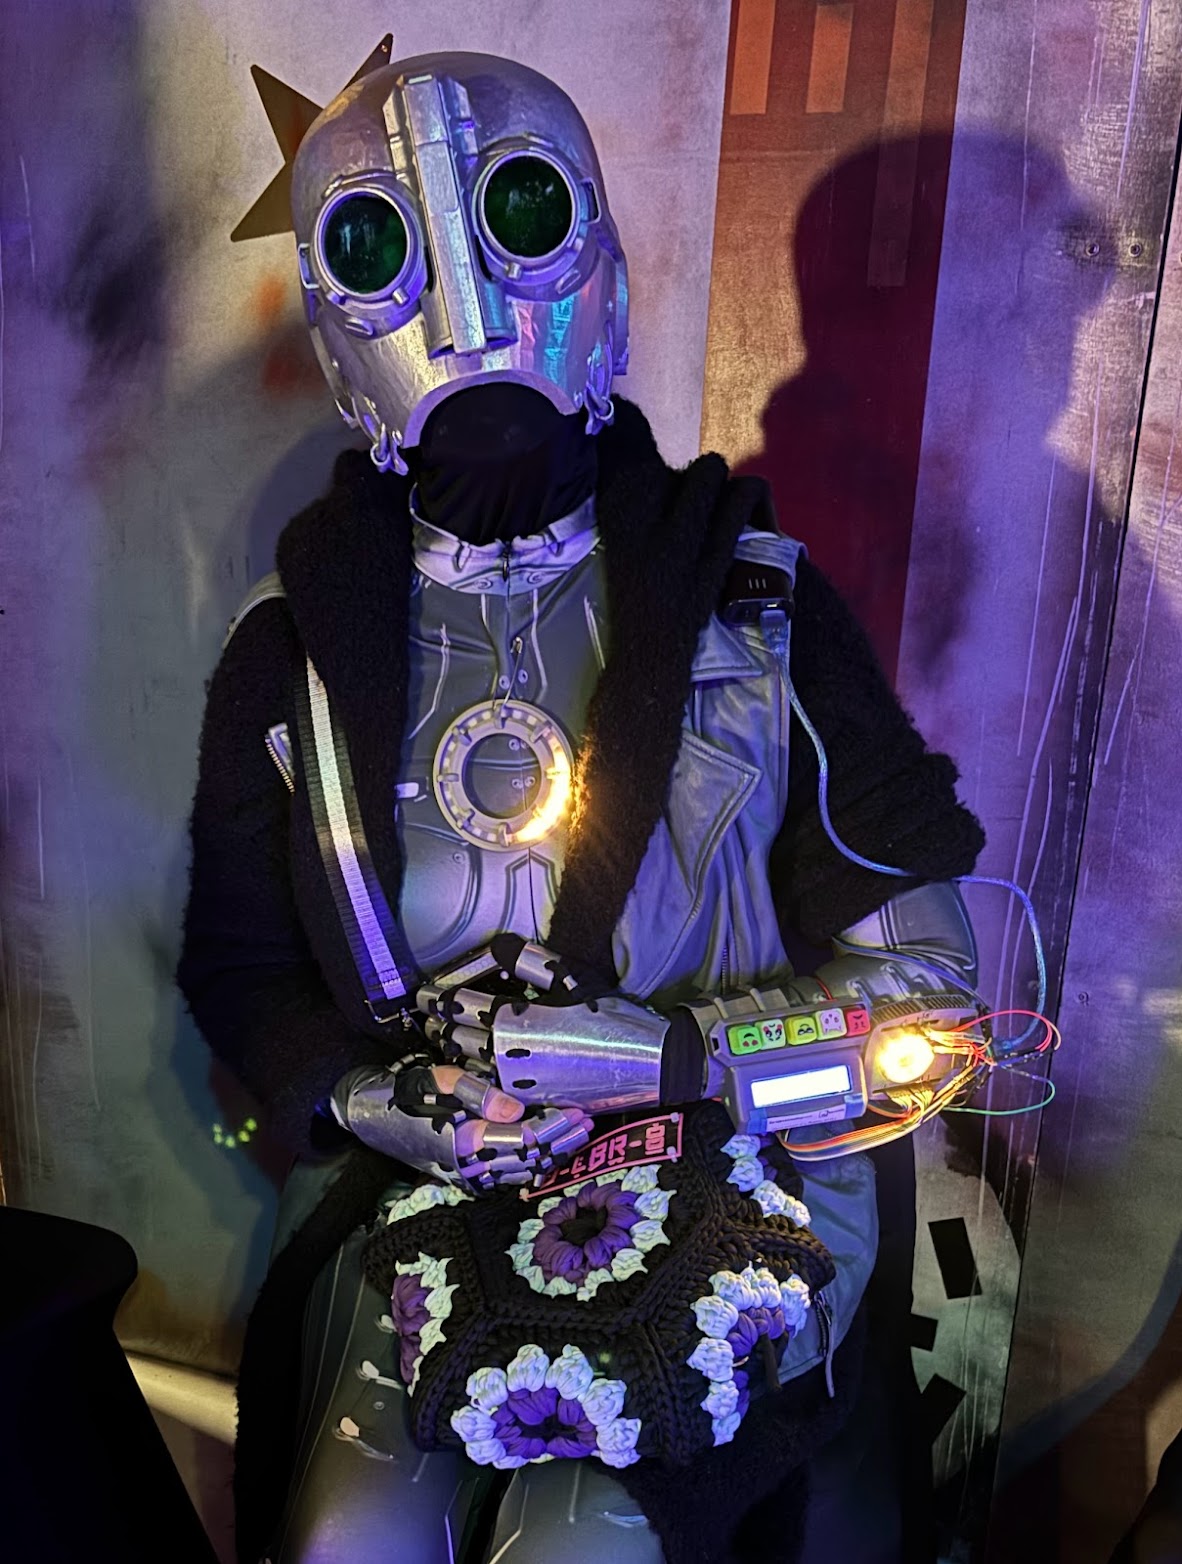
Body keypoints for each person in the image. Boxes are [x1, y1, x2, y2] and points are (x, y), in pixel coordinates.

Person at [178, 51, 985, 1564]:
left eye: (520, 218)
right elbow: (242, 966)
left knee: (582, 1541)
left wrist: (689, 1061)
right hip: (430, 1194)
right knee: (346, 1539)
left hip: (732, 1190)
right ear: (333, 322)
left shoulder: (757, 617)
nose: (465, 316)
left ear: (602, 266)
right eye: (382, 246)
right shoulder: (291, 657)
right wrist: (359, 1098)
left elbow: (934, 1013)